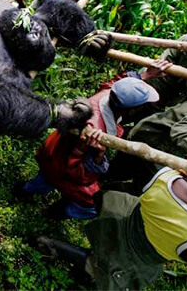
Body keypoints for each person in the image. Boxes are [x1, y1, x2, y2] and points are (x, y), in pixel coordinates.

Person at [37, 159, 187, 290]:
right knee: (100, 269)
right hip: (136, 254)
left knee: (89, 207)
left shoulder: (169, 179)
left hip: (122, 212)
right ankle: (50, 246)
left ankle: (52, 212)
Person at [16, 76, 163, 220]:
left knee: (43, 180)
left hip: (52, 148)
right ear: (131, 111)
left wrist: (141, 76)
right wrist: (97, 158)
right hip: (60, 166)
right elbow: (76, 174)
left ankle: (26, 190)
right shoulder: (96, 133)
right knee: (93, 205)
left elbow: (112, 83)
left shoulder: (105, 96)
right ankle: (55, 212)